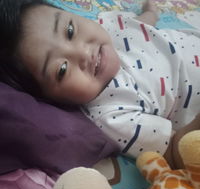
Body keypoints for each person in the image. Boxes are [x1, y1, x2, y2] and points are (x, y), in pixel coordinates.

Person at [0, 0, 200, 169]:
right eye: (62, 69)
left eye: (70, 31)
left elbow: (138, 27)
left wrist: (150, 13)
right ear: (53, 100)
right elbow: (176, 150)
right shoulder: (112, 116)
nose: (84, 53)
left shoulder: (108, 27)